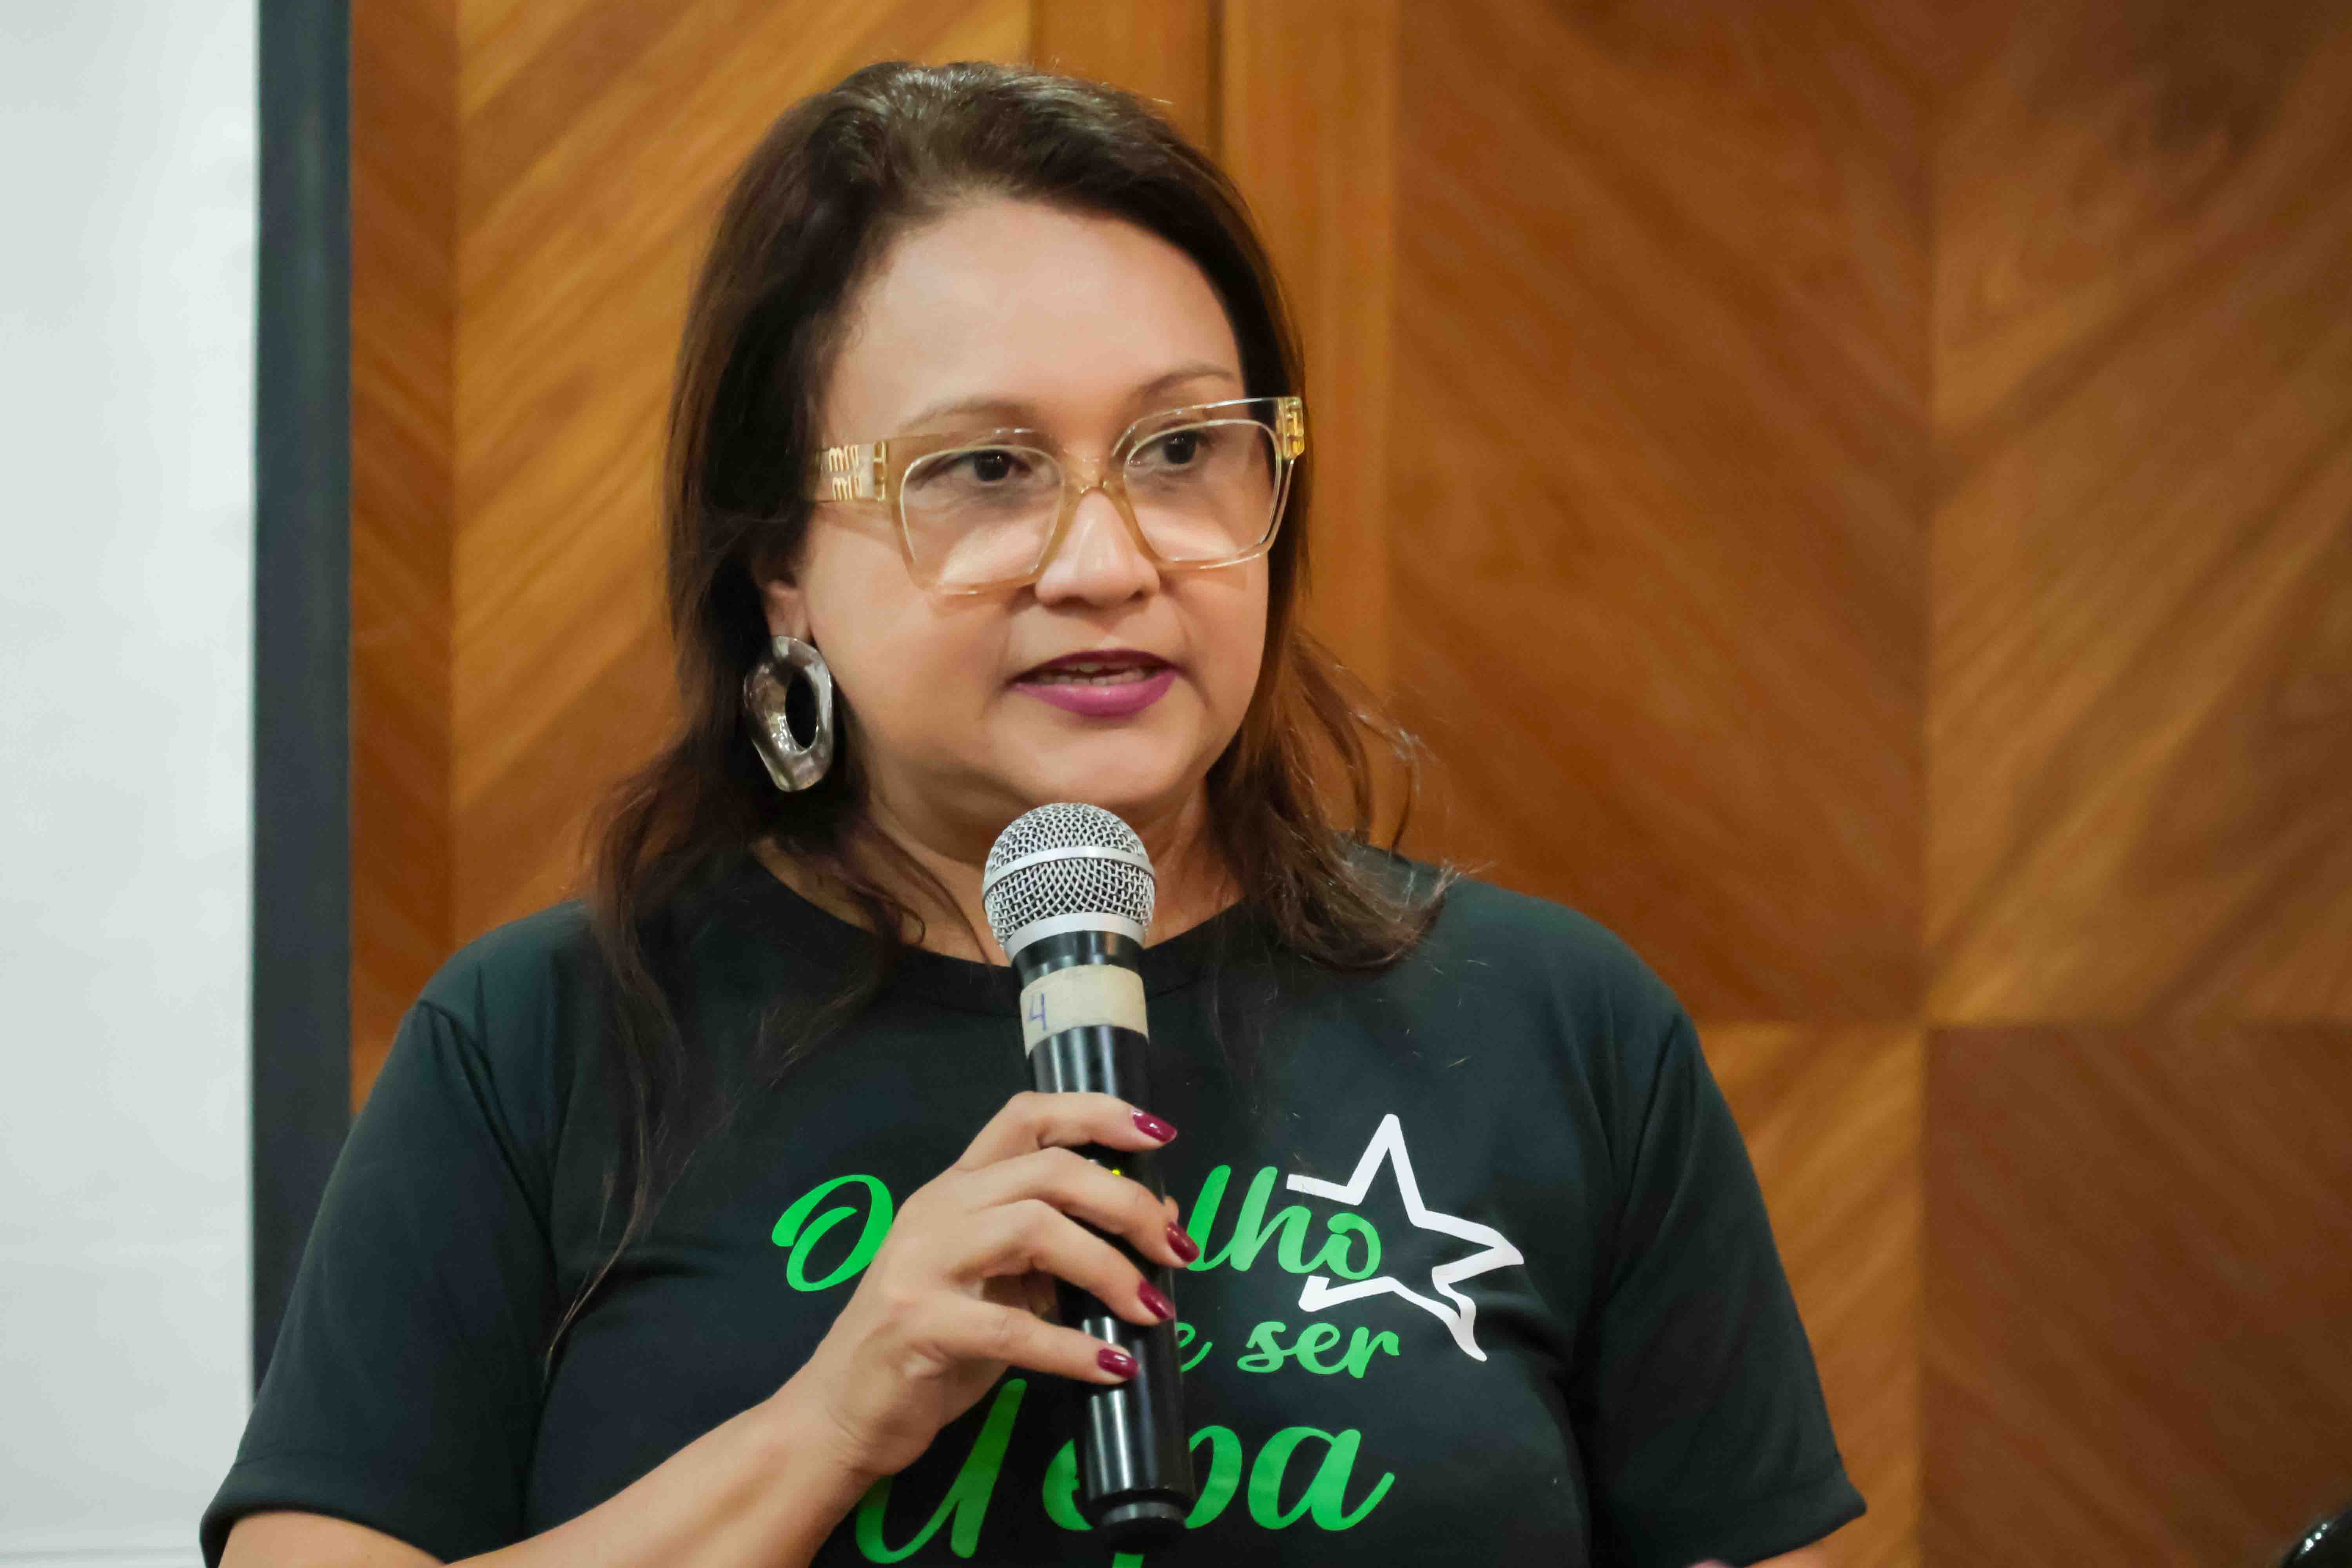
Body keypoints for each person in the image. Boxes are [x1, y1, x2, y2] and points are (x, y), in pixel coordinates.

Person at [205, 61, 1862, 1568]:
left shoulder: (1556, 1026)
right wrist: (824, 1427)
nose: (1108, 562)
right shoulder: (545, 1043)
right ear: (780, 565)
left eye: (1182, 449)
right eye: (987, 470)